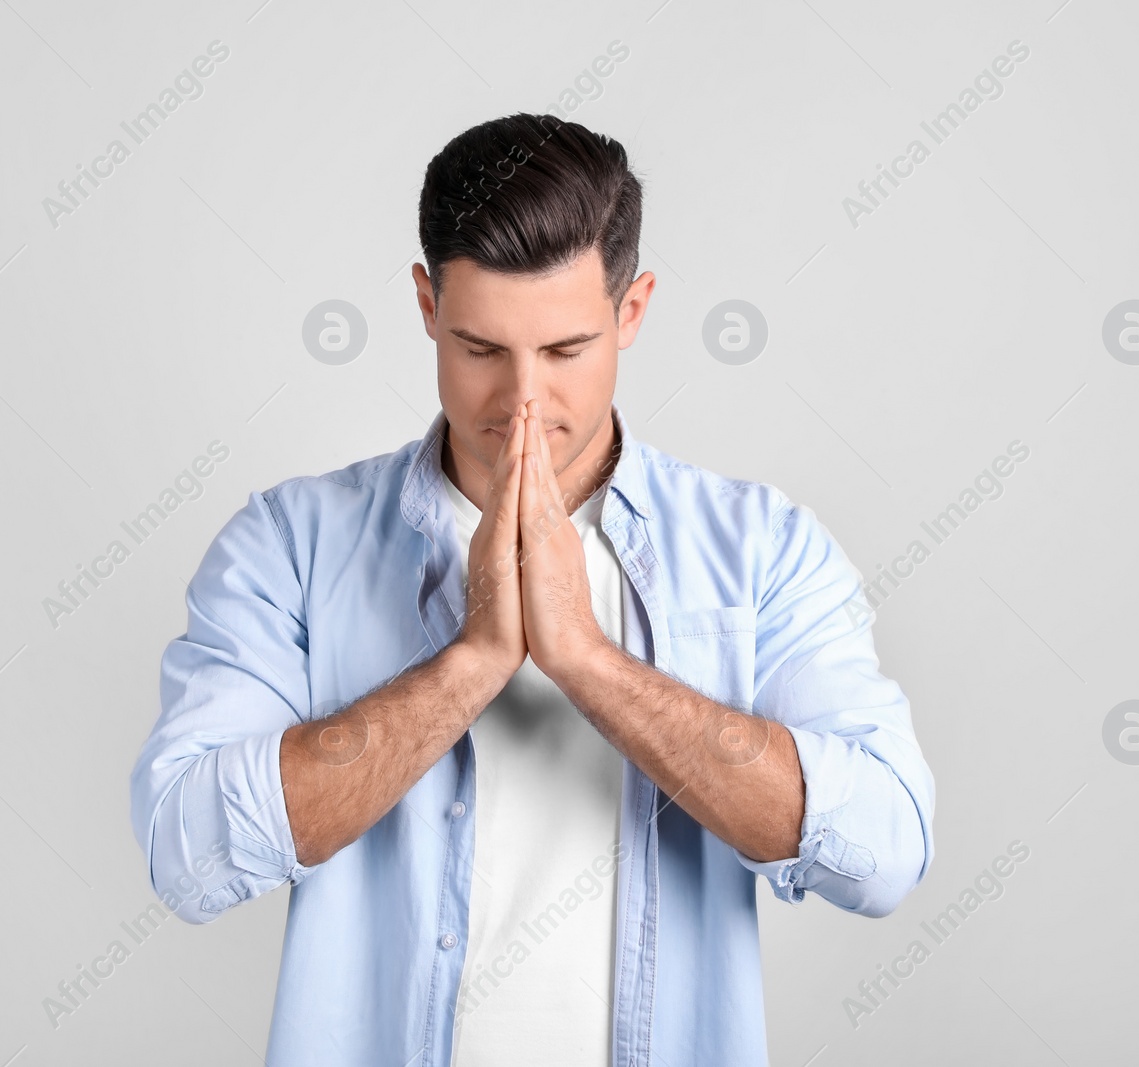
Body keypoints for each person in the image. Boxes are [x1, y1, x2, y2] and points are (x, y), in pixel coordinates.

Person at [129, 112, 935, 1066]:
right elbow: (187, 858)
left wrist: (589, 662)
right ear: (426, 304)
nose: (521, 402)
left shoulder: (761, 550)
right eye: (480, 349)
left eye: (563, 352)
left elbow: (881, 855)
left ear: (631, 312)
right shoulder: (289, 547)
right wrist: (468, 664)